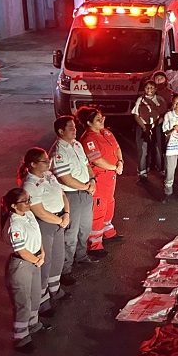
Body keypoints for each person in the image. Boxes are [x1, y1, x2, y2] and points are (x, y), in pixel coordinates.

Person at [19, 148, 69, 316]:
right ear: (32, 164)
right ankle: (42, 303)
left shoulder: (49, 176)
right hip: (46, 225)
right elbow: (39, 211)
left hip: (58, 221)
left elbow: (62, 194)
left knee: (57, 258)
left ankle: (55, 290)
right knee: (44, 264)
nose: (49, 163)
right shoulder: (29, 185)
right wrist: (60, 220)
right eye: (44, 161)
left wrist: (66, 214)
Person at [49, 116, 96, 284]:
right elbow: (66, 179)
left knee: (85, 228)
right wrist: (86, 187)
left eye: (74, 127)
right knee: (70, 235)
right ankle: (65, 270)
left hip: (85, 192)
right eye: (70, 128)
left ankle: (82, 256)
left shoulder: (76, 145)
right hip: (71, 195)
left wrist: (92, 180)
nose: (74, 130)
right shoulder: (58, 152)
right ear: (61, 132)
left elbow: (86, 165)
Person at [2, 188, 50, 349]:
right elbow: (21, 251)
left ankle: (33, 325)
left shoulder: (27, 214)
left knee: (35, 295)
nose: (29, 203)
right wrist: (37, 259)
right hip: (22, 265)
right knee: (23, 302)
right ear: (15, 206)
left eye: (29, 199)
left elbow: (38, 235)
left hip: (35, 260)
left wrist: (41, 253)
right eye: (26, 201)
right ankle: (21, 338)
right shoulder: (15, 225)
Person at [78, 107, 123, 256]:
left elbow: (117, 148)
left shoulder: (106, 132)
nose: (102, 120)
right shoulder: (88, 139)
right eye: (98, 119)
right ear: (89, 122)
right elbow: (96, 160)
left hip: (110, 177)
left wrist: (120, 161)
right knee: (98, 209)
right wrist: (115, 167)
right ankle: (95, 245)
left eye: (102, 117)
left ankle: (108, 232)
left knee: (110, 203)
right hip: (100, 178)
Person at [132, 80, 168, 183]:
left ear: (155, 89)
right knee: (143, 151)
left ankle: (162, 171)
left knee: (158, 149)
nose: (149, 90)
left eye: (152, 88)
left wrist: (154, 125)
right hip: (143, 128)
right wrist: (144, 126)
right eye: (147, 88)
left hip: (157, 128)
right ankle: (142, 173)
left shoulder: (160, 100)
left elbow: (163, 115)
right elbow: (136, 115)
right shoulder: (140, 100)